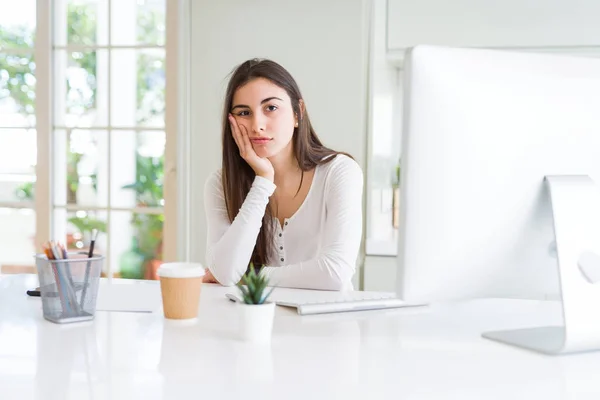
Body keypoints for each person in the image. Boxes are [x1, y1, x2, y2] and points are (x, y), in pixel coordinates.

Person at [203, 58, 363, 291]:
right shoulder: (219, 184)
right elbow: (226, 272)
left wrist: (250, 275)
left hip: (327, 324)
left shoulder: (339, 172)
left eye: (271, 108)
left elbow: (335, 273)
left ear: (298, 113)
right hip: (256, 321)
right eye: (244, 112)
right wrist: (263, 180)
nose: (257, 125)